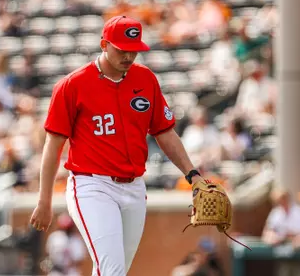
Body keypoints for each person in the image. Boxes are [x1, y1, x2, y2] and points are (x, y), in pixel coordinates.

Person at [29, 15, 204, 276]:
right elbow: (53, 145)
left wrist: (193, 174)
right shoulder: (72, 85)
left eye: (133, 50)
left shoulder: (145, 80)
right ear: (104, 44)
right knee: (111, 270)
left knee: (117, 270)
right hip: (92, 185)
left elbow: (165, 133)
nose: (128, 56)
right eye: (122, 49)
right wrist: (44, 200)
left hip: (134, 187)